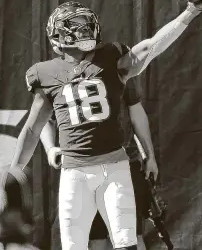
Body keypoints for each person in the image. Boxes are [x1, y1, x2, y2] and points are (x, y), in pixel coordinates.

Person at [10, 0, 202, 250]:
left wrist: (189, 12)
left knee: (126, 243)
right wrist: (14, 175)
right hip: (74, 171)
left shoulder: (111, 58)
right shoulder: (46, 73)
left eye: (87, 24)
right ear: (60, 35)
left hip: (114, 168)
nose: (87, 30)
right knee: (74, 247)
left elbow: (151, 47)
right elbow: (32, 128)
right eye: (78, 26)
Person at [39, 77, 153, 250]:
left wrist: (149, 155)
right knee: (95, 239)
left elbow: (136, 111)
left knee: (130, 237)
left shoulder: (116, 64)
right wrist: (50, 149)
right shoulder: (58, 73)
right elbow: (44, 118)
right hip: (82, 167)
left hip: (124, 163)